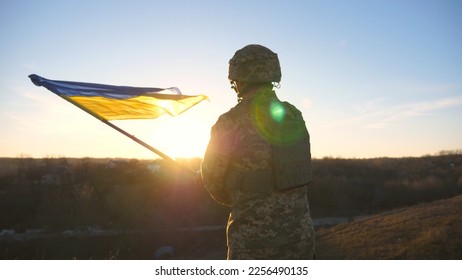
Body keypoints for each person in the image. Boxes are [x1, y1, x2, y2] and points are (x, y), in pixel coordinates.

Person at [200, 44, 315, 260]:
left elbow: (212, 179)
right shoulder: (293, 115)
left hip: (253, 242)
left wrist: (237, 191)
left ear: (237, 79)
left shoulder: (229, 122)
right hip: (300, 238)